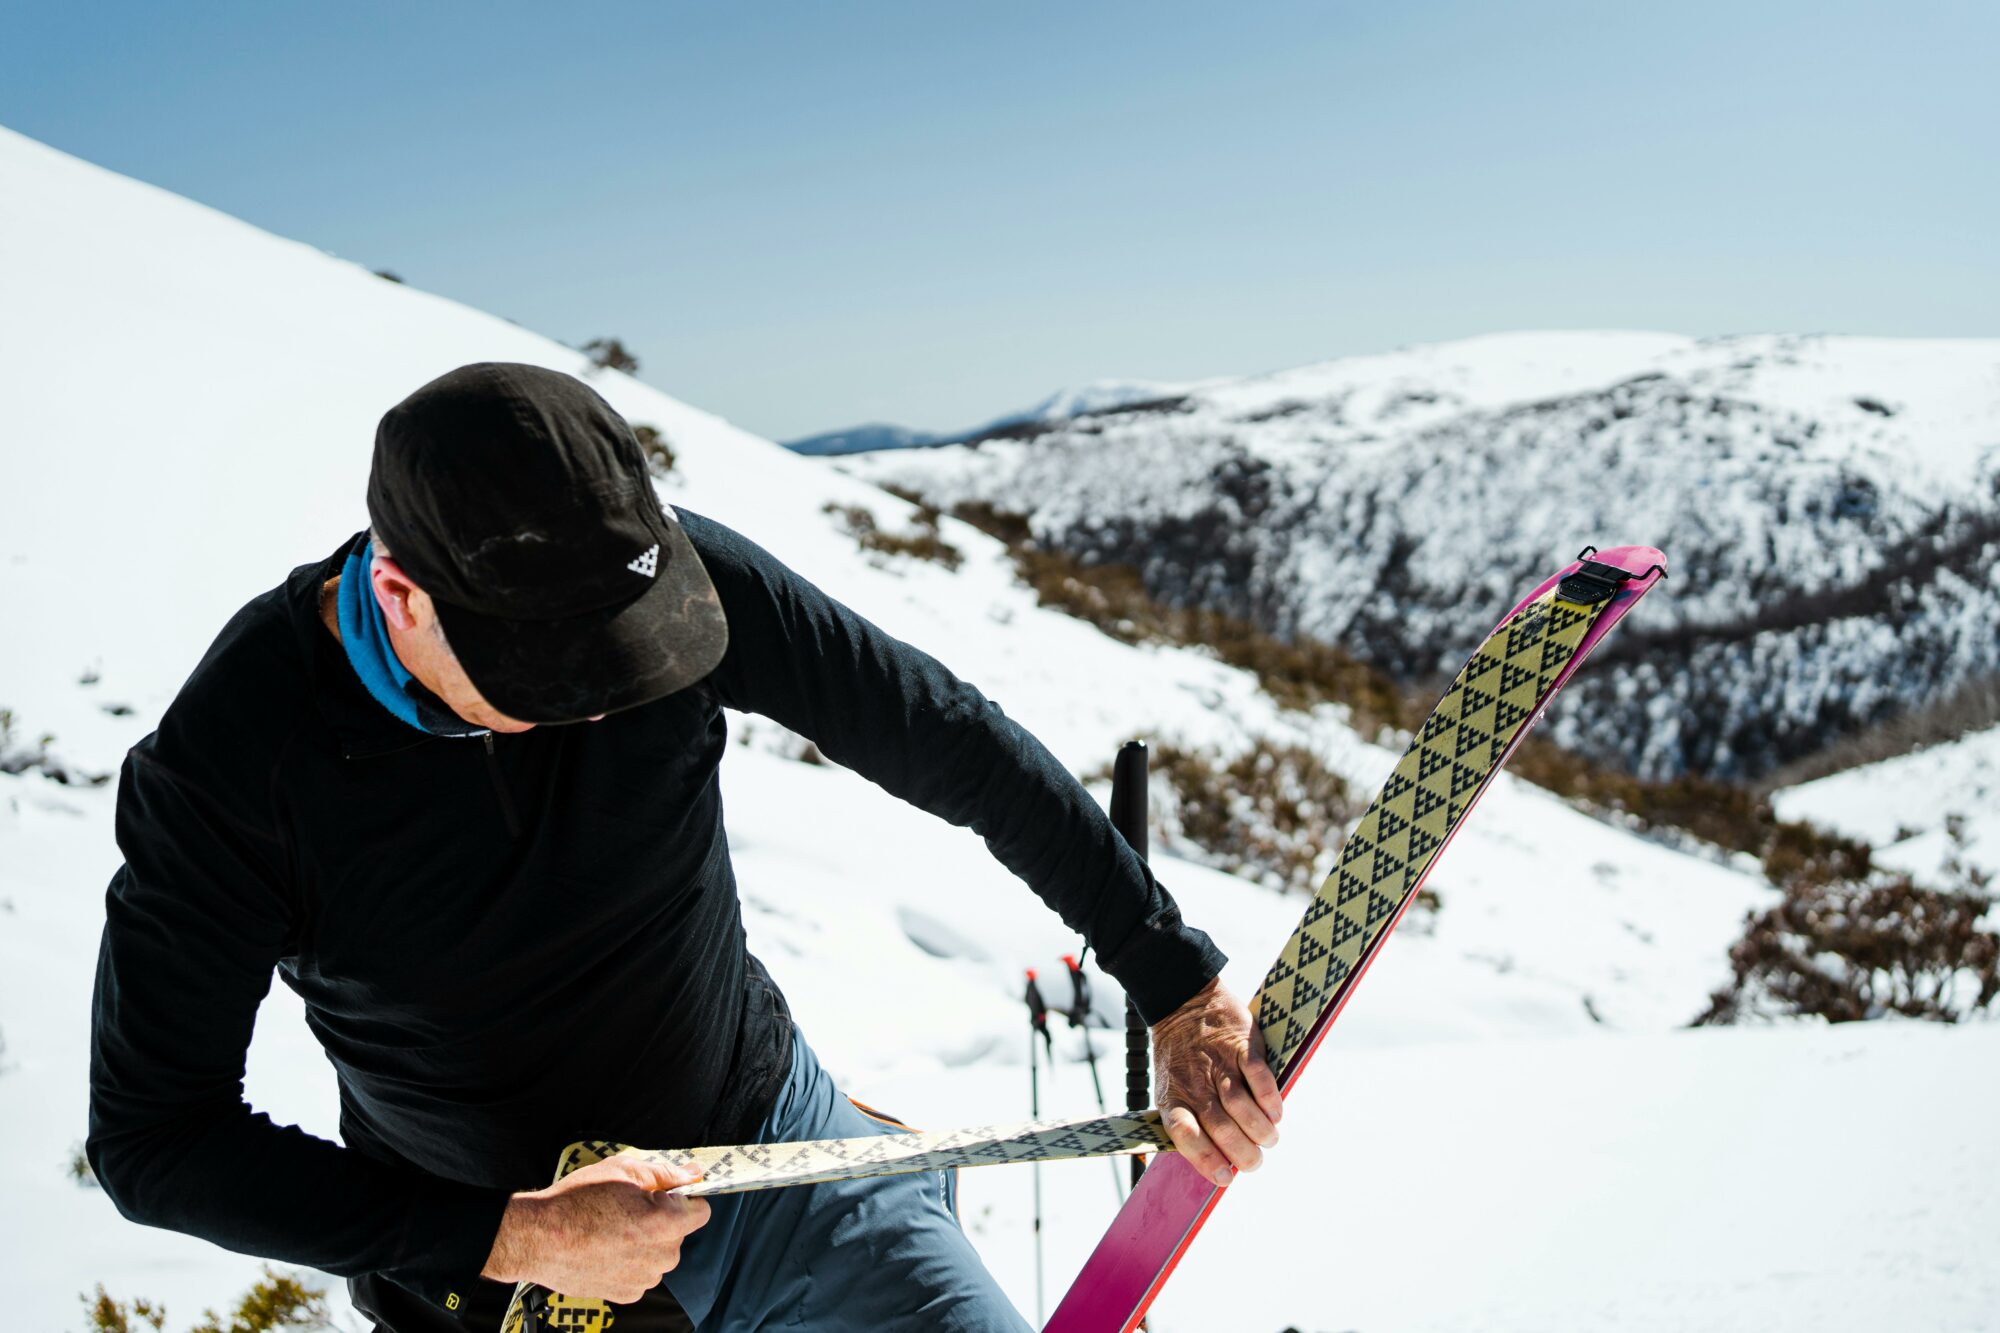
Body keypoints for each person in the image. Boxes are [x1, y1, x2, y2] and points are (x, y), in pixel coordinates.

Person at [86, 362, 1282, 1332]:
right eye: (551, 674)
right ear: (400, 596)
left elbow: (941, 737)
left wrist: (1174, 983)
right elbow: (155, 1137)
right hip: (509, 1268)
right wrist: (510, 1234)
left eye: (628, 649)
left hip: (778, 1156)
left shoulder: (661, 581)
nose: (606, 697)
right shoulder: (236, 765)